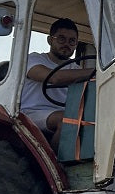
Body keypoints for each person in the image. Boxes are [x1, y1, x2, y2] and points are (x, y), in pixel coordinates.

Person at [20, 17, 94, 147]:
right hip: (30, 113)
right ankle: (55, 164)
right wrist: (97, 71)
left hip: (62, 113)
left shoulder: (75, 69)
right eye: (61, 39)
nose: (66, 44)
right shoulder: (33, 59)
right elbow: (54, 78)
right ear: (50, 40)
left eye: (72, 41)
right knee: (68, 120)